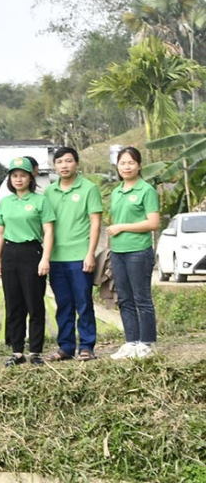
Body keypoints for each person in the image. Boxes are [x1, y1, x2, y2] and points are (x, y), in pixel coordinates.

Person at [0, 158, 55, 367]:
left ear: (31, 177)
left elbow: (48, 231)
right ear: (10, 178)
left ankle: (35, 351)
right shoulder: (5, 202)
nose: (18, 179)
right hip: (10, 254)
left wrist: (45, 258)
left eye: (23, 175)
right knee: (14, 305)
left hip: (32, 253)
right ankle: (17, 351)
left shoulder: (40, 201)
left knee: (34, 304)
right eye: (15, 175)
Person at [45, 146, 103, 361]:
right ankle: (66, 347)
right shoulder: (49, 191)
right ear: (55, 166)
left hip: (80, 256)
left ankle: (87, 346)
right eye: (59, 162)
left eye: (68, 161)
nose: (64, 165)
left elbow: (95, 224)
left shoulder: (89, 189)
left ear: (76, 163)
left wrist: (90, 253)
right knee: (63, 305)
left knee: (84, 302)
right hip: (56, 258)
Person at [107, 147, 160, 360]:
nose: (126, 167)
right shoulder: (116, 191)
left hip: (138, 251)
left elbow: (153, 223)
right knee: (125, 299)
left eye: (131, 163)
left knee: (142, 298)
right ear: (117, 166)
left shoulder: (146, 190)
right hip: (118, 252)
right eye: (122, 163)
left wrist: (122, 227)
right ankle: (131, 342)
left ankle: (147, 343)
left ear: (139, 165)